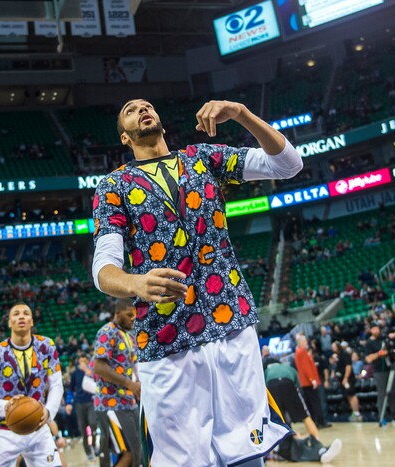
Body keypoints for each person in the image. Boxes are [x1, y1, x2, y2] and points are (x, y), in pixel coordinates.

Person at [92, 99, 300, 466]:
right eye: (130, 109)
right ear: (125, 136)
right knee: (182, 460)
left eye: (147, 105)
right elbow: (103, 269)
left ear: (160, 120)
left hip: (231, 321)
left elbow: (287, 164)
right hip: (167, 338)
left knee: (248, 451)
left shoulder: (203, 158)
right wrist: (136, 284)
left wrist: (241, 114)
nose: (142, 108)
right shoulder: (113, 185)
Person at [0, 303, 63, 467]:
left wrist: (49, 411)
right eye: (16, 314)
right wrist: (11, 407)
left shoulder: (46, 346)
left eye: (26, 313)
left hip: (37, 426)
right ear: (9, 322)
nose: (21, 316)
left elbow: (56, 385)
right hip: (3, 430)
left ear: (32, 321)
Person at [91, 299, 142, 467]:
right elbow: (99, 367)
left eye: (134, 315)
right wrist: (129, 384)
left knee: (138, 452)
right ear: (117, 313)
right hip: (110, 403)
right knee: (128, 454)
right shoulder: (107, 332)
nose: (133, 318)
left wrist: (137, 383)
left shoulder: (129, 336)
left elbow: (132, 366)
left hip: (128, 401)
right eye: (129, 315)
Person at [263, 358, 342, 464]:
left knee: (276, 420)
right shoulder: (288, 368)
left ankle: (270, 452)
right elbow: (298, 386)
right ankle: (318, 445)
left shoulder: (267, 371)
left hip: (270, 388)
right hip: (289, 385)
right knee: (305, 416)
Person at [364, 323, 395, 423]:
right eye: (374, 329)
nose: (376, 331)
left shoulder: (384, 339)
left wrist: (394, 336)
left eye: (377, 328)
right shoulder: (369, 343)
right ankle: (382, 416)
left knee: (393, 392)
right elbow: (368, 359)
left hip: (389, 368)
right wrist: (379, 353)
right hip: (378, 371)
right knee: (382, 394)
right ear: (371, 330)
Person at [65, 354, 97, 461]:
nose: (83, 362)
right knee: (83, 428)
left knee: (93, 423)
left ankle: (94, 445)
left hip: (91, 401)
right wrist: (68, 403)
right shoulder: (75, 373)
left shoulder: (92, 371)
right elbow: (70, 389)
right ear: (79, 362)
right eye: (81, 360)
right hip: (79, 403)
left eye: (85, 360)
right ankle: (88, 452)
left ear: (87, 361)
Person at [294, 336, 325, 428]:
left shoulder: (298, 352)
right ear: (300, 342)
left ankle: (315, 421)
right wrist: (312, 379)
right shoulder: (302, 352)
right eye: (305, 341)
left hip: (305, 382)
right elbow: (306, 367)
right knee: (315, 402)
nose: (306, 343)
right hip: (308, 382)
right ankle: (319, 421)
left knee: (310, 402)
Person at [330, 342, 362, 422]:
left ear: (338, 347)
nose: (332, 348)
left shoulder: (345, 354)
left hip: (348, 379)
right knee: (348, 396)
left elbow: (348, 366)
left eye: (334, 347)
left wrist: (346, 378)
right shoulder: (337, 356)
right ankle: (354, 412)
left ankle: (357, 413)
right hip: (341, 379)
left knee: (351, 394)